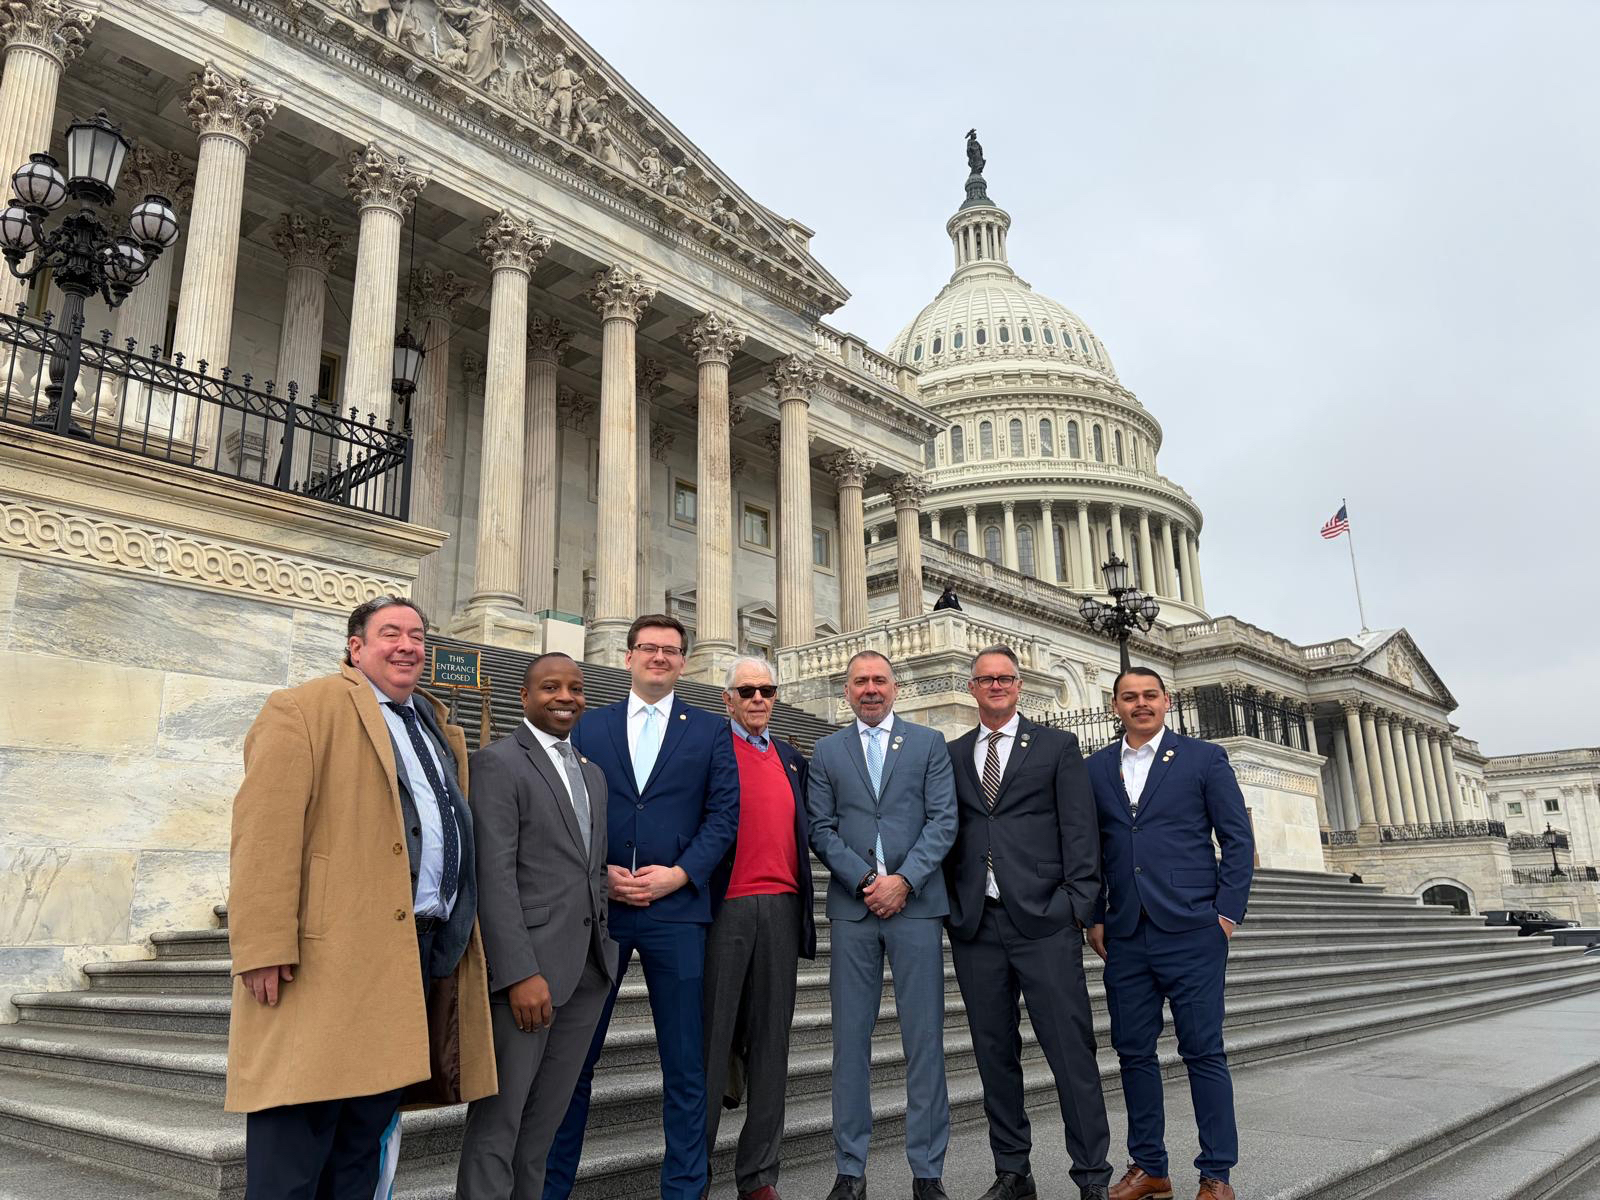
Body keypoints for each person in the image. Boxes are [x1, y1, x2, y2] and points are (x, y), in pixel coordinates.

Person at [225, 595, 495, 1199]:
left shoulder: (431, 723)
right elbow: (263, 834)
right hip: (330, 956)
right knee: (296, 1137)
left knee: (362, 1143)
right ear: (356, 646)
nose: (408, 645)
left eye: (418, 636)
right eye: (390, 633)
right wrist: (264, 943)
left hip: (417, 952)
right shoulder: (303, 708)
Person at [543, 614, 740, 1200]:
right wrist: (597, 871)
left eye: (671, 650)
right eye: (648, 648)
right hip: (598, 913)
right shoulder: (590, 726)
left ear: (683, 662)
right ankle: (551, 1187)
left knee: (684, 1064)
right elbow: (567, 806)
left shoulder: (709, 731)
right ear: (628, 657)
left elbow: (723, 817)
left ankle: (683, 1189)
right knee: (574, 1061)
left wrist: (678, 875)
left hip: (676, 914)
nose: (659, 657)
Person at [944, 647, 1113, 1200]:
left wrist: (1077, 906)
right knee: (994, 1054)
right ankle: (1012, 1172)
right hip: (978, 925)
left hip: (1044, 920)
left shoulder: (1057, 747)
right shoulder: (953, 753)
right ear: (971, 687)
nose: (996, 686)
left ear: (1020, 686)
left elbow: (1080, 831)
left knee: (1070, 1051)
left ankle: (1091, 1176)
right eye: (986, 679)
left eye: (1005, 678)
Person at [1085, 668, 1255, 1200]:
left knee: (1203, 1052)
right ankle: (1149, 1167)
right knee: (1133, 1053)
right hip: (1126, 934)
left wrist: (1225, 914)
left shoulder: (1203, 759)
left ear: (1167, 701)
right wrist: (1094, 915)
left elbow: (1237, 839)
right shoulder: (1094, 769)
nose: (1141, 704)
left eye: (1150, 696)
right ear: (1114, 705)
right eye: (1129, 697)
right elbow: (1089, 849)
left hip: (1192, 929)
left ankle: (1216, 1174)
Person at [457, 653, 618, 1199]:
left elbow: (588, 867)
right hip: (526, 979)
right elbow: (493, 875)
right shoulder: (498, 763)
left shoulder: (593, 774)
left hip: (588, 974)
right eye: (550, 687)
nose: (565, 697)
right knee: (498, 1129)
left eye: (575, 687)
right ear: (524, 697)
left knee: (541, 1134)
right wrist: (518, 972)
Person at [806, 650, 957, 1200]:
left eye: (879, 680)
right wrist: (867, 880)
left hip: (915, 907)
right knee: (850, 1042)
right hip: (853, 909)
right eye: (859, 681)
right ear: (846, 691)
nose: (870, 689)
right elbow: (819, 828)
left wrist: (905, 880)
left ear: (896, 687)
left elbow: (944, 820)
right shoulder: (826, 750)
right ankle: (850, 1168)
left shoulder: (928, 744)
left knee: (925, 1041)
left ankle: (927, 1171)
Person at [703, 656, 817, 1200]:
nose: (757, 699)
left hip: (779, 908)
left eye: (766, 690)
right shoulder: (706, 749)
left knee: (773, 1044)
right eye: (745, 690)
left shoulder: (793, 758)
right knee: (710, 1043)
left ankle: (758, 1176)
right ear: (726, 698)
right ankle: (691, 1172)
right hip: (724, 907)